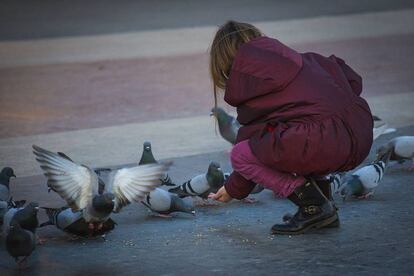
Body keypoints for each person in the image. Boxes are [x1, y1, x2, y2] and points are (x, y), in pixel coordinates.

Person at [208, 21, 373, 235]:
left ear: (225, 64)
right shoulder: (306, 60)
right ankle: (325, 205)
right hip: (360, 132)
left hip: (328, 143)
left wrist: (233, 189)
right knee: (297, 139)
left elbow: (251, 148)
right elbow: (352, 80)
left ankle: (313, 207)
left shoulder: (254, 90)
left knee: (243, 153)